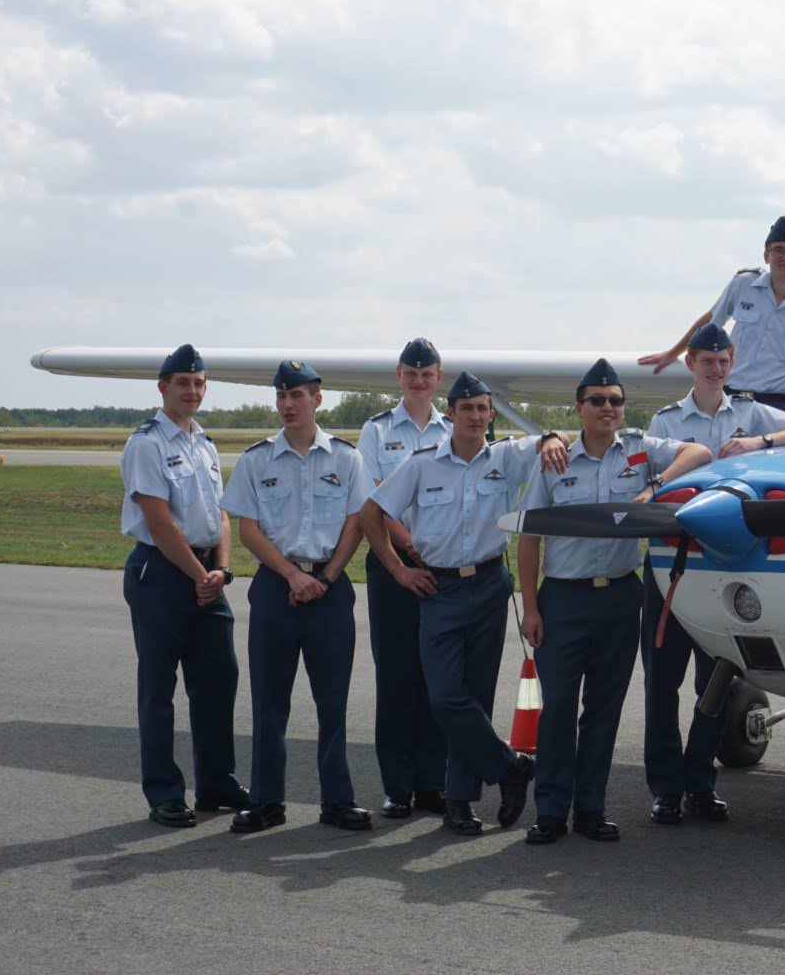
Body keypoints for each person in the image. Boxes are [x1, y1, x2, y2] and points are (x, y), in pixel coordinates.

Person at [517, 359, 713, 845]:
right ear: (579, 408)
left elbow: (701, 450)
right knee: (559, 707)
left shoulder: (641, 450)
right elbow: (528, 537)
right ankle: (550, 810)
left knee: (604, 709)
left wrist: (654, 487)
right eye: (598, 401)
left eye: (616, 401)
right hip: (564, 597)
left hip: (621, 597)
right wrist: (531, 608)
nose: (608, 408)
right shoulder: (554, 460)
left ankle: (590, 808)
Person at [641, 323, 785, 824]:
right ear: (692, 364)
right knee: (661, 683)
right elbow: (649, 486)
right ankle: (664, 788)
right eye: (708, 361)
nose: (717, 369)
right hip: (673, 567)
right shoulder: (664, 422)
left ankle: (700, 783)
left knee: (718, 682)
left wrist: (760, 442)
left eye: (724, 361)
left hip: (729, 572)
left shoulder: (749, 412)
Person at [359, 371, 557, 836]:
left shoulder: (506, 457)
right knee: (446, 697)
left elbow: (551, 441)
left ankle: (460, 802)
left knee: (477, 695)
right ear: (451, 414)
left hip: (489, 586)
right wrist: (398, 570)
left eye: (482, 409)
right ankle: (509, 766)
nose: (475, 416)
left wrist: (549, 437)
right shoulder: (422, 463)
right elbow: (372, 513)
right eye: (466, 408)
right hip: (440, 589)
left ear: (490, 416)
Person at [221, 361, 373, 833]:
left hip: (329, 589)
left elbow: (356, 524)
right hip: (275, 588)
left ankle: (337, 800)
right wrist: (291, 575)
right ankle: (267, 801)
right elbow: (248, 529)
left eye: (297, 396)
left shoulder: (346, 459)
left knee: (332, 701)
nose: (288, 405)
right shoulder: (255, 460)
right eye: (282, 397)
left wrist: (325, 578)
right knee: (269, 700)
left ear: (317, 400)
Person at [119, 344, 246, 827]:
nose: (192, 391)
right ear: (163, 387)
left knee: (218, 681)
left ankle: (216, 782)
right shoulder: (147, 443)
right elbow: (159, 523)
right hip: (164, 575)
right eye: (182, 384)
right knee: (158, 688)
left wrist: (222, 571)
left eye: (198, 383)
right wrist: (202, 576)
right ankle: (164, 792)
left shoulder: (205, 444)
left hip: (208, 575)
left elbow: (221, 514)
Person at [638, 215, 785, 411]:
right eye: (779, 250)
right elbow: (712, 320)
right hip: (728, 400)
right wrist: (673, 353)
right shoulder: (744, 284)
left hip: (774, 407)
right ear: (766, 255)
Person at [356, 337, 452, 819]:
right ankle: (397, 785)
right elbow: (373, 495)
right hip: (392, 562)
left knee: (436, 677)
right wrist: (408, 544)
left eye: (427, 373)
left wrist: (427, 549)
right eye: (410, 373)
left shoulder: (454, 426)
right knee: (396, 676)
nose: (419, 380)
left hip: (441, 564)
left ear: (438, 377)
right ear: (399, 375)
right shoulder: (376, 432)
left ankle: (432, 782)